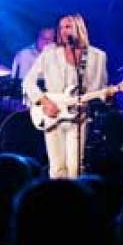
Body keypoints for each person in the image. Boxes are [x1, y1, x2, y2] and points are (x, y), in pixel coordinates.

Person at [22, 13, 108, 179]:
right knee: (57, 167)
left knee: (75, 167)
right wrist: (44, 101)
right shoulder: (50, 53)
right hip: (52, 114)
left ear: (79, 28)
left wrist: (105, 96)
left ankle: (75, 193)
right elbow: (28, 81)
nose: (63, 31)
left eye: (68, 26)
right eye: (61, 27)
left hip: (79, 117)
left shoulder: (97, 56)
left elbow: (100, 89)